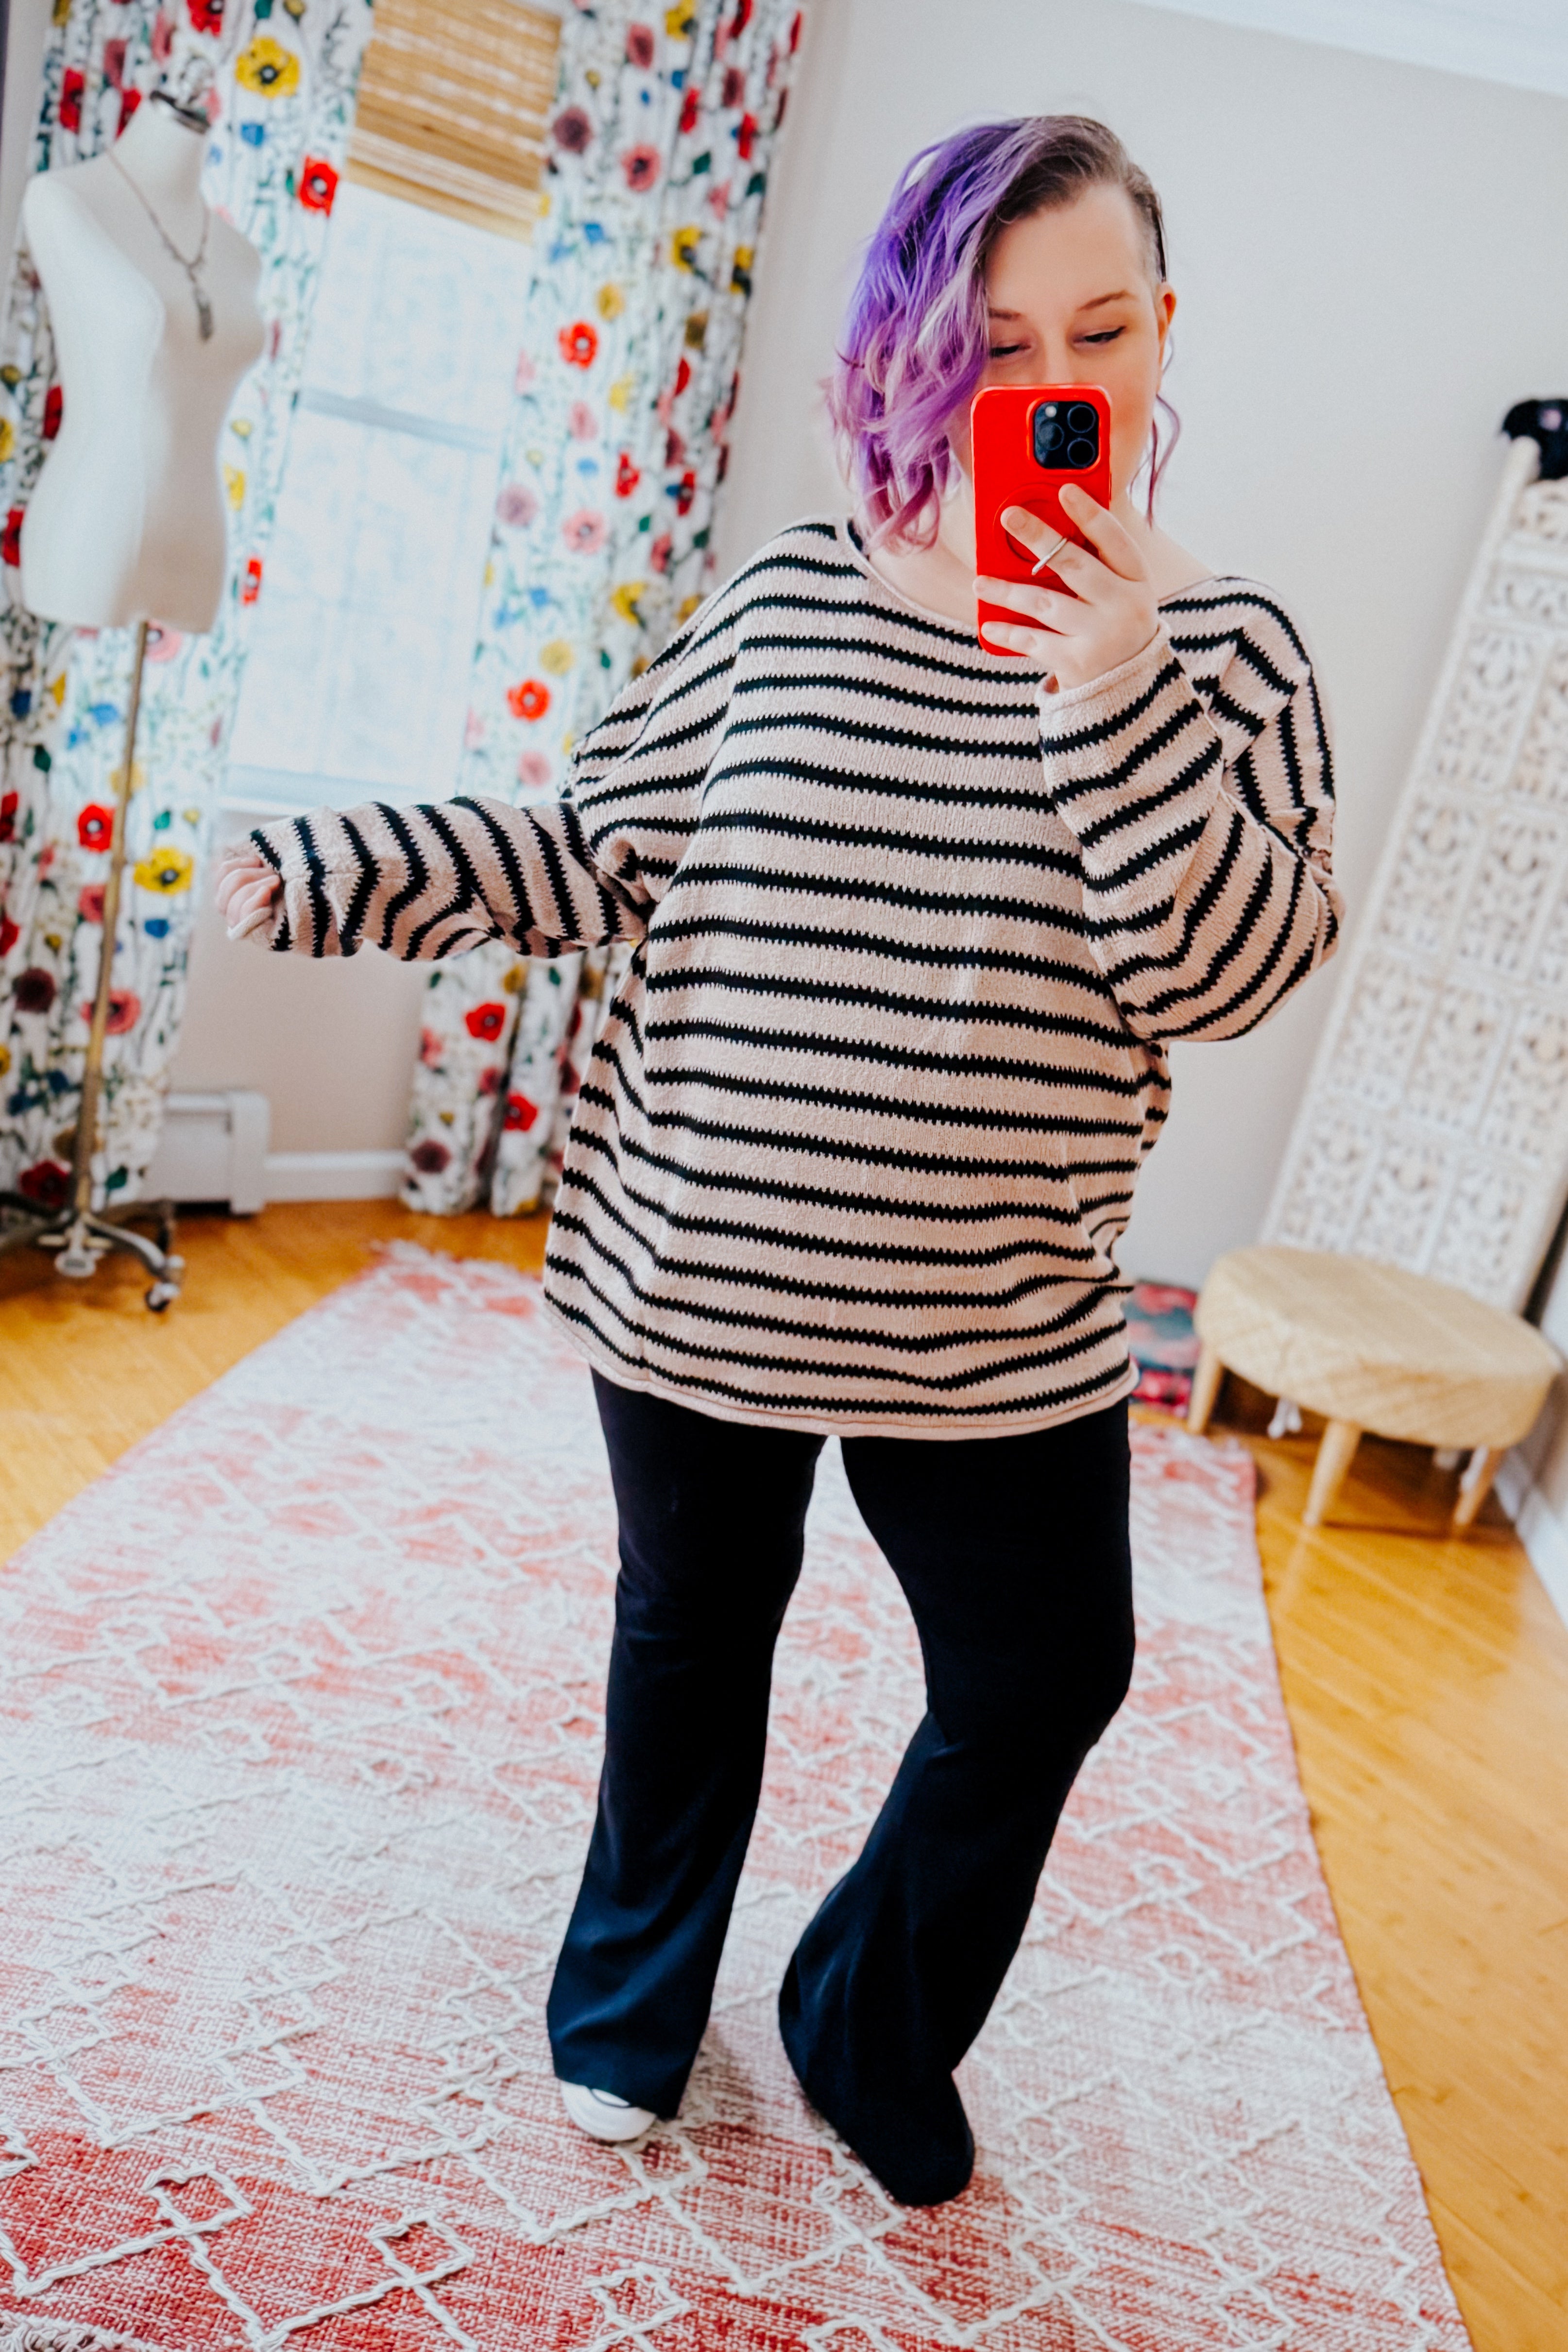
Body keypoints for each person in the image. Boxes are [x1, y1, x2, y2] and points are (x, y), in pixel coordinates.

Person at [217, 115, 1341, 2208]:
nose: (1047, 382)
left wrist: (1108, 687)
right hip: (707, 1270)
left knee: (1043, 1673)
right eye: (997, 339)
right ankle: (629, 2003)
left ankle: (865, 2012)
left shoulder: (1236, 654)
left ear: (1164, 328)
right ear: (929, 344)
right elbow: (594, 845)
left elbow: (1229, 968)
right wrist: (340, 866)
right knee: (693, 1636)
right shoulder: (789, 597)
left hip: (995, 1317)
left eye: (1097, 330)